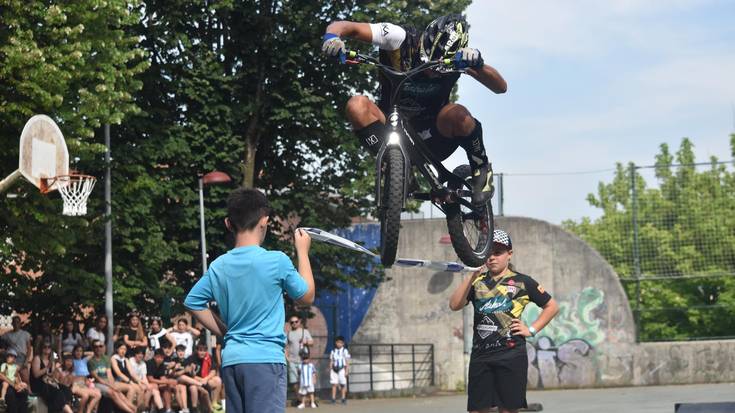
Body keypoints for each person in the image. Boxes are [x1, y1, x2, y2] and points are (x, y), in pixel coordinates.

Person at [321, 14, 507, 207]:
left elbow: (500, 87)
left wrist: (478, 64)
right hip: (391, 125)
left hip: (434, 136)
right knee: (356, 105)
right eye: (426, 61)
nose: (430, 71)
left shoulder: (458, 59)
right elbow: (346, 26)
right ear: (422, 41)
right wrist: (332, 37)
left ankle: (481, 168)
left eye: (437, 68)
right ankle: (394, 166)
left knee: (459, 115)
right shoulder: (398, 38)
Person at [184, 188, 315, 413]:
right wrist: (302, 252)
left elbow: (193, 301)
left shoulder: (218, 266)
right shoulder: (277, 261)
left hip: (233, 360)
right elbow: (306, 297)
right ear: (264, 220)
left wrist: (225, 332)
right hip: (264, 359)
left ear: (228, 223)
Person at [449, 229, 560, 413]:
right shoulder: (477, 282)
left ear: (509, 254)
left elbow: (552, 307)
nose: (492, 257)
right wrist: (471, 277)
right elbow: (454, 305)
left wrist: (531, 330)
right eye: (488, 253)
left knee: (507, 410)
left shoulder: (523, 282)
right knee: (477, 409)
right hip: (480, 356)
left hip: (511, 355)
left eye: (498, 252)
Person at [87, 340, 136, 413]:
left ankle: (134, 408)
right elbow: (98, 378)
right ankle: (131, 411)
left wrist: (113, 385)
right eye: (96, 346)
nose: (98, 348)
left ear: (103, 347)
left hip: (108, 382)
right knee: (113, 392)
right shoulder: (91, 362)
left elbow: (109, 374)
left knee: (119, 393)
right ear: (93, 348)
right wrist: (111, 386)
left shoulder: (106, 358)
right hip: (97, 384)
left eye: (100, 346)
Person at [30, 339, 73, 413]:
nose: (47, 349)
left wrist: (55, 372)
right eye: (45, 347)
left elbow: (51, 375)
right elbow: (36, 375)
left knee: (66, 390)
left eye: (49, 347)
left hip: (47, 382)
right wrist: (47, 367)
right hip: (38, 384)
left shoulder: (51, 360)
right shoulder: (37, 358)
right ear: (41, 348)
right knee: (57, 393)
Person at [183, 342, 223, 413]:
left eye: (204, 350)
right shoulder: (191, 358)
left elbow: (213, 371)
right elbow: (189, 376)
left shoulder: (209, 357)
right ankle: (195, 409)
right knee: (194, 387)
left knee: (218, 380)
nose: (202, 353)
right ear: (197, 350)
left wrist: (206, 379)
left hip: (205, 380)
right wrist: (193, 371)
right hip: (195, 382)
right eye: (200, 350)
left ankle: (214, 403)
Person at [146, 349, 183, 413]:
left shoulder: (161, 364)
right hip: (149, 382)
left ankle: (169, 409)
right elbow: (150, 379)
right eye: (158, 357)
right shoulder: (150, 363)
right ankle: (154, 409)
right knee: (162, 385)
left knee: (169, 386)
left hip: (157, 382)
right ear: (154, 356)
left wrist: (169, 382)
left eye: (162, 357)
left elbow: (162, 377)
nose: (160, 359)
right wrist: (167, 381)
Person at [128, 347, 164, 413]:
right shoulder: (130, 361)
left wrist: (147, 385)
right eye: (138, 353)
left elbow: (144, 377)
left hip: (141, 382)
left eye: (142, 354)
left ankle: (160, 409)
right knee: (147, 387)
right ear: (135, 354)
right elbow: (132, 375)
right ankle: (144, 409)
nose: (140, 355)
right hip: (132, 382)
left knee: (154, 390)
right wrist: (142, 383)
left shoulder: (143, 364)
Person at [286, 315, 313, 401]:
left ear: (299, 321)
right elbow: (286, 347)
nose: (294, 323)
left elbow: (312, 343)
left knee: (305, 380)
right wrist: (287, 357)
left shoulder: (304, 332)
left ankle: (307, 399)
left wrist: (306, 342)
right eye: (292, 322)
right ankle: (300, 400)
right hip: (292, 360)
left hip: (303, 360)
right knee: (294, 381)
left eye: (296, 321)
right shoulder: (289, 333)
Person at [1, 316, 33, 385]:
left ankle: (29, 392)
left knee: (25, 378)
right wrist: (3, 351)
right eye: (14, 322)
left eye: (17, 322)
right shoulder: (7, 335)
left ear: (20, 323)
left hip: (22, 357)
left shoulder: (25, 334)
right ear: (12, 323)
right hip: (12, 357)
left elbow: (29, 349)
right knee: (13, 377)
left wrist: (27, 360)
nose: (16, 324)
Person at [110, 342, 142, 407]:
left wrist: (139, 381)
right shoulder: (113, 358)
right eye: (121, 349)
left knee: (140, 388)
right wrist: (130, 382)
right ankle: (128, 410)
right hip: (116, 381)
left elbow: (132, 372)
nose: (123, 351)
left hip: (125, 382)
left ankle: (139, 409)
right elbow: (118, 373)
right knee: (131, 388)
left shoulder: (125, 359)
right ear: (117, 349)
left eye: (125, 349)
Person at [0, 349, 29, 413]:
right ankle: (2, 399)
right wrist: (14, 385)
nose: (9, 358)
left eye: (11, 356)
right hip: (6, 383)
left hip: (14, 382)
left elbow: (16, 376)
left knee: (24, 390)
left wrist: (20, 384)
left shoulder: (15, 366)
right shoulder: (4, 365)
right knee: (10, 392)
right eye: (8, 356)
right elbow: (1, 376)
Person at [329, 336, 350, 404]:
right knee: (334, 384)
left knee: (343, 384)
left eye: (341, 343)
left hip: (341, 369)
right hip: (334, 369)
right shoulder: (333, 351)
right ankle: (333, 398)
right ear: (336, 343)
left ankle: (343, 398)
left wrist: (346, 370)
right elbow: (331, 360)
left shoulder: (345, 350)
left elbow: (347, 361)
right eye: (338, 342)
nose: (339, 344)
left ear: (343, 343)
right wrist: (330, 368)